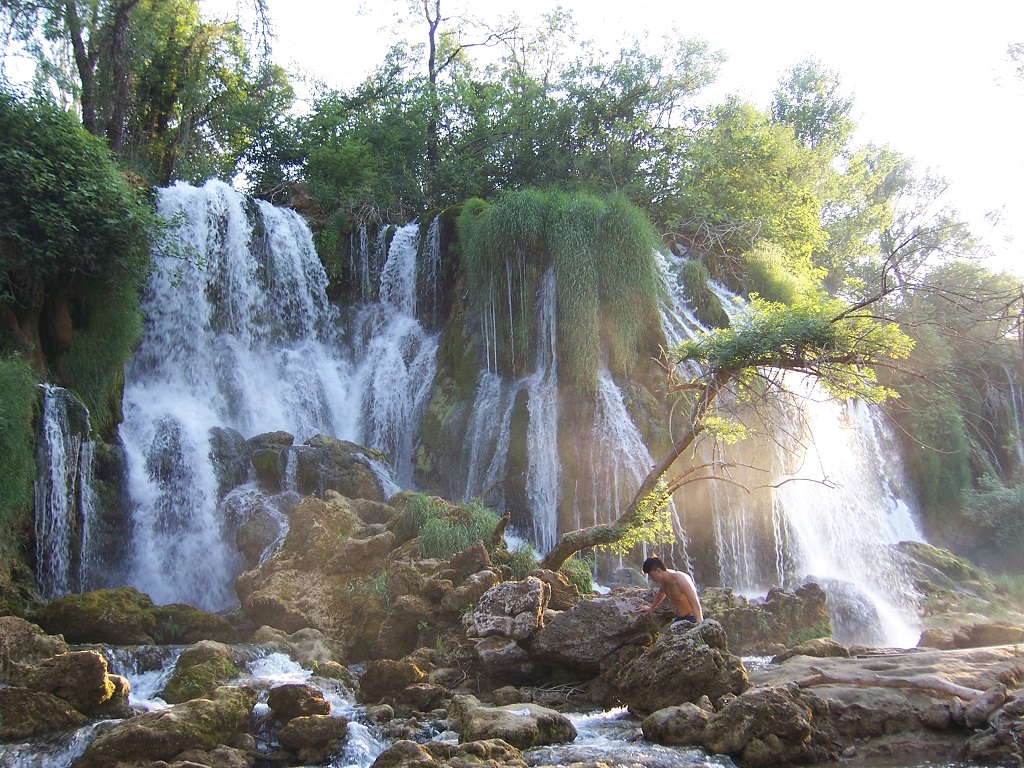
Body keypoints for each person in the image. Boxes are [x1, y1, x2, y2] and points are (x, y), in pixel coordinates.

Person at [636, 555, 703, 625]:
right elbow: (661, 592)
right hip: (679, 618)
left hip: (692, 618)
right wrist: (650, 608)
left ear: (658, 571)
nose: (650, 578)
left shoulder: (681, 579)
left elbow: (695, 603)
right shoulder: (665, 581)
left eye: (651, 575)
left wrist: (700, 625)